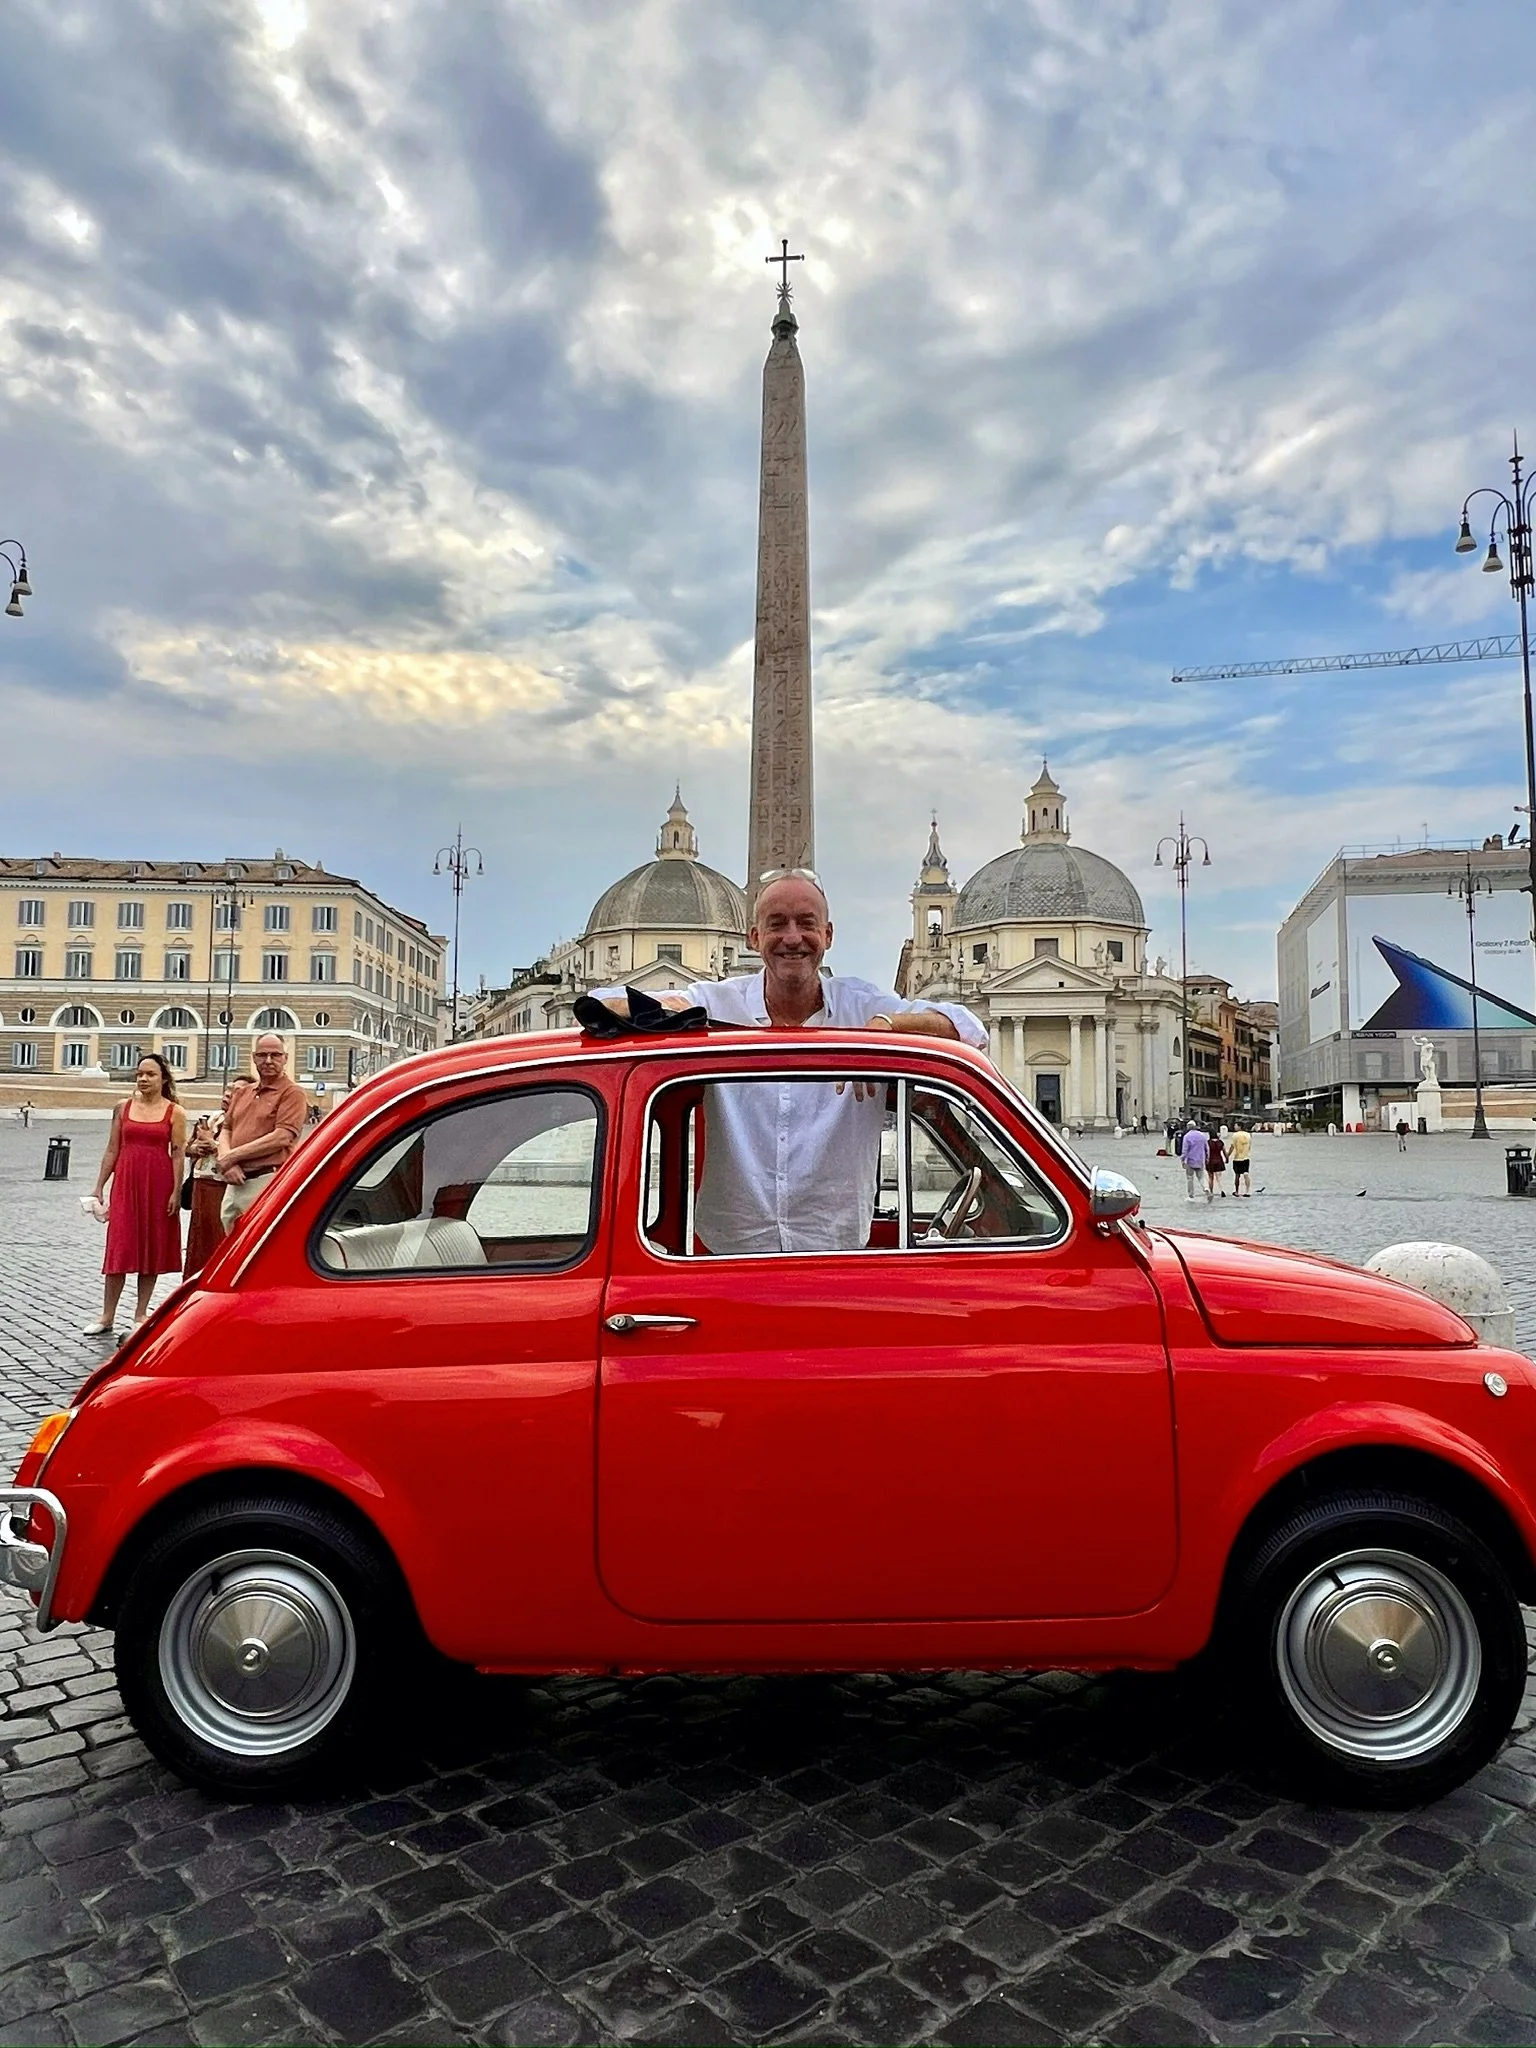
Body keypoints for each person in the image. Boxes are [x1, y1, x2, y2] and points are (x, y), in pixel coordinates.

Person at [596, 870, 987, 1253]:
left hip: (833, 1253)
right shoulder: (716, 1004)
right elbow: (600, 1005)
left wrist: (886, 1028)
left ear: (827, 936)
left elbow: (970, 1028)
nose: (793, 938)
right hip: (729, 1255)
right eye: (777, 924)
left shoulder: (862, 1007)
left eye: (806, 923)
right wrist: (668, 1009)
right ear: (755, 937)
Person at [84, 1053, 187, 1337]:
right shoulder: (123, 1107)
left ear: (163, 1078)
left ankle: (141, 1311)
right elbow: (112, 1149)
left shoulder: (175, 1112)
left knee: (150, 1247)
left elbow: (178, 1155)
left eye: (150, 1074)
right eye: (140, 1073)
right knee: (120, 1246)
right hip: (127, 1182)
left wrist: (175, 1192)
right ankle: (107, 1315)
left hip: (158, 1183)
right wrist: (99, 1186)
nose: (143, 1079)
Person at [216, 1035, 308, 1231]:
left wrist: (231, 1157)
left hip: (265, 1180)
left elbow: (282, 1137)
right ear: (253, 1058)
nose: (268, 1060)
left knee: (257, 1243)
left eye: (275, 1055)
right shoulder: (243, 1092)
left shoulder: (292, 1093)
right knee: (230, 1245)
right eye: (262, 1055)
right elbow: (227, 1128)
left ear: (285, 1058)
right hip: (235, 1181)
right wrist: (227, 1160)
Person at [183, 1091, 232, 1278]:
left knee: (218, 1239)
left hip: (223, 1186)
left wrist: (212, 1143)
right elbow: (187, 1148)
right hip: (201, 1184)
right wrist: (196, 1147)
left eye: (233, 1094)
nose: (226, 1097)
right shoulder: (211, 1118)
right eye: (226, 1093)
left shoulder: (244, 1121)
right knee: (199, 1239)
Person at [1179, 1121, 1208, 1201]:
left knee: (1190, 1178)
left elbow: (1185, 1150)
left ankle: (1191, 1195)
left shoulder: (1187, 1137)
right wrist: (1207, 1158)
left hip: (1190, 1160)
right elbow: (1206, 1148)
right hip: (1200, 1159)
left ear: (1188, 1127)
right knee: (1201, 1177)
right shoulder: (1202, 1136)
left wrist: (1182, 1160)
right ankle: (1206, 1188)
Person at [1229, 1124, 1252, 1195]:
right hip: (1246, 1157)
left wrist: (1227, 1155)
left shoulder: (1235, 1135)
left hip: (1237, 1158)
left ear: (1239, 1127)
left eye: (1235, 1125)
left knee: (1237, 1175)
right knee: (1246, 1174)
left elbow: (1232, 1146)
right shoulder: (1248, 1135)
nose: (1234, 1127)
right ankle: (1248, 1191)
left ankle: (1237, 1191)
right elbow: (1249, 1146)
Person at [1206, 1127, 1227, 1198]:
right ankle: (1222, 1190)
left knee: (1211, 1178)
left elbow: (1206, 1152)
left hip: (1210, 1161)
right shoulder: (1220, 1142)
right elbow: (1224, 1152)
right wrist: (1226, 1158)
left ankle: (1211, 1191)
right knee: (1219, 1177)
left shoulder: (1208, 1143)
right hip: (1219, 1161)